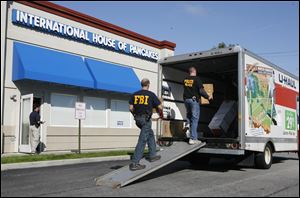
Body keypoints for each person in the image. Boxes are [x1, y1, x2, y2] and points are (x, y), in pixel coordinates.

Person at [129, 78, 163, 171]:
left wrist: (135, 115)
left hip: (138, 119)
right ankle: (135, 163)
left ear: (141, 84)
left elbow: (131, 108)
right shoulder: (151, 95)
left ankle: (152, 155)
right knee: (142, 140)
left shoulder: (134, 94)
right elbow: (160, 107)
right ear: (148, 84)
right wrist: (160, 105)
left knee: (150, 134)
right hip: (146, 119)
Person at [183, 67, 213, 145]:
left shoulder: (185, 79)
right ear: (195, 71)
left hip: (186, 100)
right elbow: (201, 91)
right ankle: (193, 138)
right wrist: (208, 97)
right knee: (195, 119)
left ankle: (187, 123)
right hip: (193, 100)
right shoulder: (197, 79)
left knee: (189, 115)